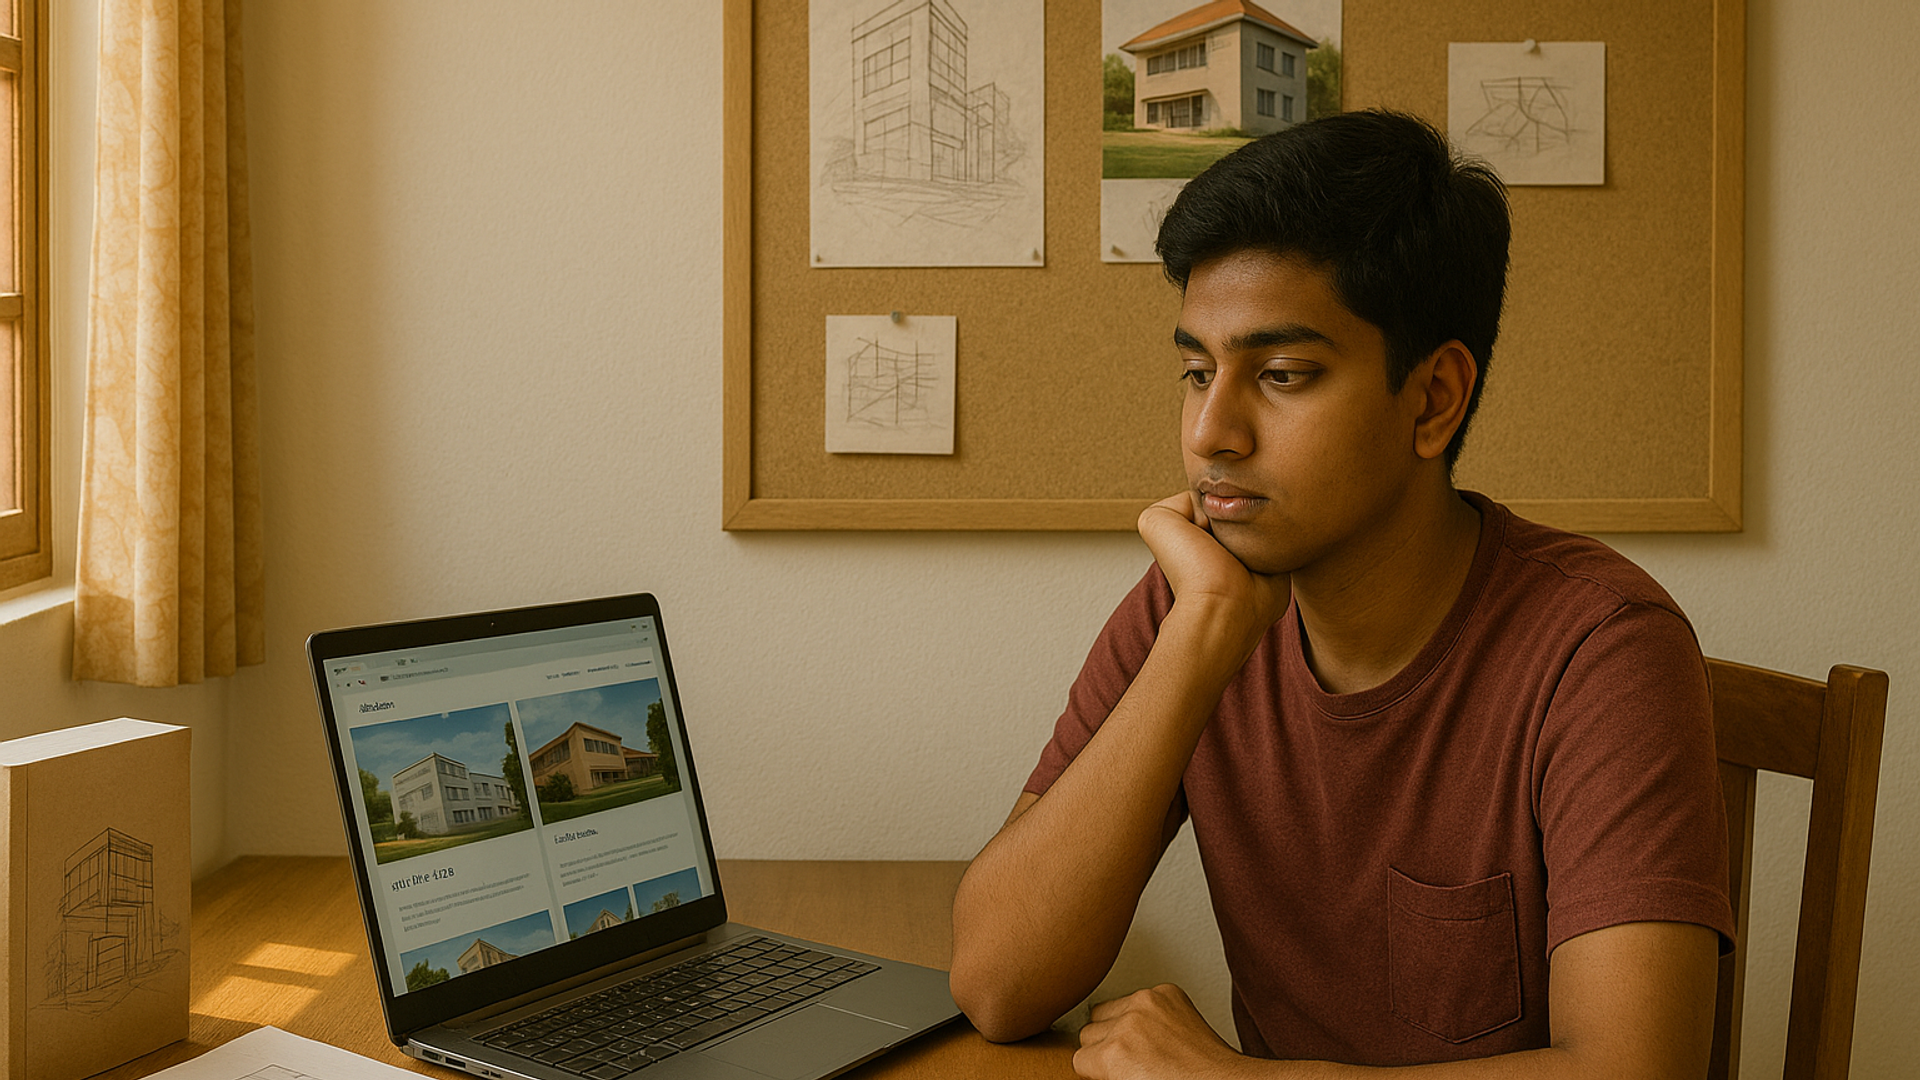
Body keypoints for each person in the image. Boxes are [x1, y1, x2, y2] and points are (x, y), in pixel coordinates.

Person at [948, 110, 1735, 1079]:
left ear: (1434, 398)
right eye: (1197, 371)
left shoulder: (1602, 648)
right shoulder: (1196, 604)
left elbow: (1635, 1070)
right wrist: (1198, 644)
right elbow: (996, 981)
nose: (1210, 434)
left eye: (1281, 374)